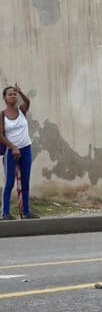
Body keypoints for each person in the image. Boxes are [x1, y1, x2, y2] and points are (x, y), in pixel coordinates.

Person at [0, 84, 36, 219]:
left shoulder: (22, 110)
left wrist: (21, 92)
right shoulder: (2, 115)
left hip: (26, 149)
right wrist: (13, 147)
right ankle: (5, 213)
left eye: (15, 93)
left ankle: (26, 212)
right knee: (9, 182)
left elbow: (28, 102)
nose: (13, 95)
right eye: (10, 94)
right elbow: (1, 135)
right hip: (11, 152)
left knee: (25, 182)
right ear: (5, 98)